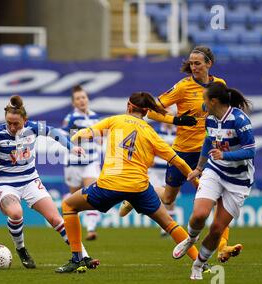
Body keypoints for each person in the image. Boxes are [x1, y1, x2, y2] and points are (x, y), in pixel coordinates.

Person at [119, 46, 242, 263]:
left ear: (209, 64)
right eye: (191, 63)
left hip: (208, 152)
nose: (193, 67)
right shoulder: (183, 87)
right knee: (168, 197)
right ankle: (134, 195)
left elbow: (225, 114)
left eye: (198, 63)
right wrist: (176, 120)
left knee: (216, 200)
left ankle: (223, 247)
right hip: (182, 152)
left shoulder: (219, 85)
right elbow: (153, 110)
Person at [55, 92, 202, 273]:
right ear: (147, 112)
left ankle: (77, 258)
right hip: (139, 188)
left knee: (69, 205)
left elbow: (85, 133)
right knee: (169, 223)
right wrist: (195, 180)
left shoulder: (115, 120)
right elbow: (178, 161)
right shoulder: (151, 133)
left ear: (129, 106)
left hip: (110, 185)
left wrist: (74, 139)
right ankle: (201, 263)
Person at [0, 95, 99, 269]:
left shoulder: (33, 128)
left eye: (16, 123)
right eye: (9, 123)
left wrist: (71, 147)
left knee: (56, 219)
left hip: (30, 181)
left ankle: (84, 256)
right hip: (6, 184)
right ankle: (21, 249)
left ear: (25, 120)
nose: (12, 127)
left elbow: (54, 133)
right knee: (15, 213)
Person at [172, 82, 254, 280]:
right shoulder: (209, 118)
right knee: (199, 215)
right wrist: (199, 168)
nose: (203, 103)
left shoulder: (239, 120)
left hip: (238, 181)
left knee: (217, 229)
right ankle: (191, 239)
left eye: (205, 99)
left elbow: (250, 150)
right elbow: (208, 141)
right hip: (215, 171)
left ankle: (198, 265)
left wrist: (224, 156)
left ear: (214, 101)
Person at [61, 85, 102, 241]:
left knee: (91, 194)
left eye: (83, 97)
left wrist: (99, 138)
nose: (81, 100)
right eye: (78, 98)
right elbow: (62, 138)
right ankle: (73, 230)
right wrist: (77, 138)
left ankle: (91, 229)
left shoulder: (94, 117)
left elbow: (100, 137)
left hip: (91, 162)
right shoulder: (70, 118)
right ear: (73, 103)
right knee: (74, 199)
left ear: (88, 99)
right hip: (73, 164)